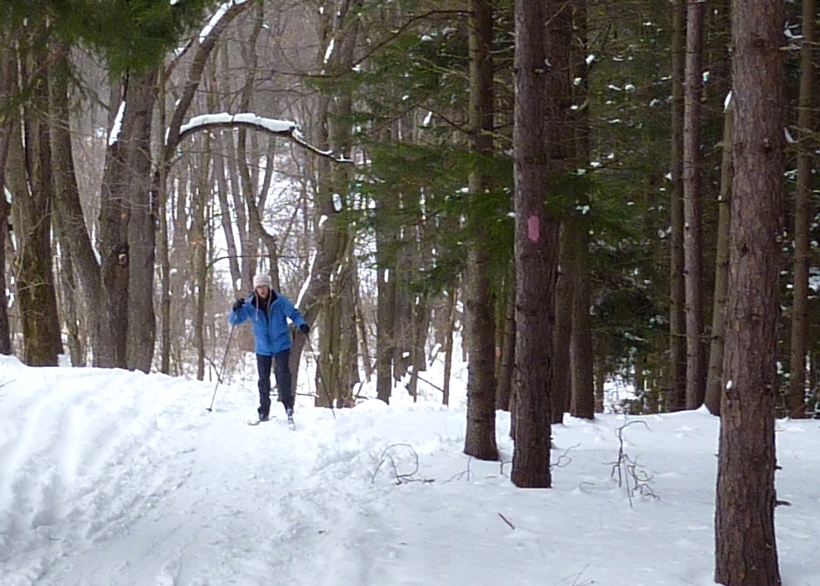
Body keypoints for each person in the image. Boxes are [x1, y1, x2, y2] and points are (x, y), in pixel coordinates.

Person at [229, 273, 309, 423]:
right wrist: (235, 309)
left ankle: (288, 406)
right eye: (259, 287)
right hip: (263, 347)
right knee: (263, 379)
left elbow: (294, 313)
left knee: (282, 375)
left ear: (268, 286)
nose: (262, 290)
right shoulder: (250, 305)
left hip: (282, 344)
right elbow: (235, 322)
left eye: (264, 286)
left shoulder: (280, 301)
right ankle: (263, 411)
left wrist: (302, 324)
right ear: (255, 288)